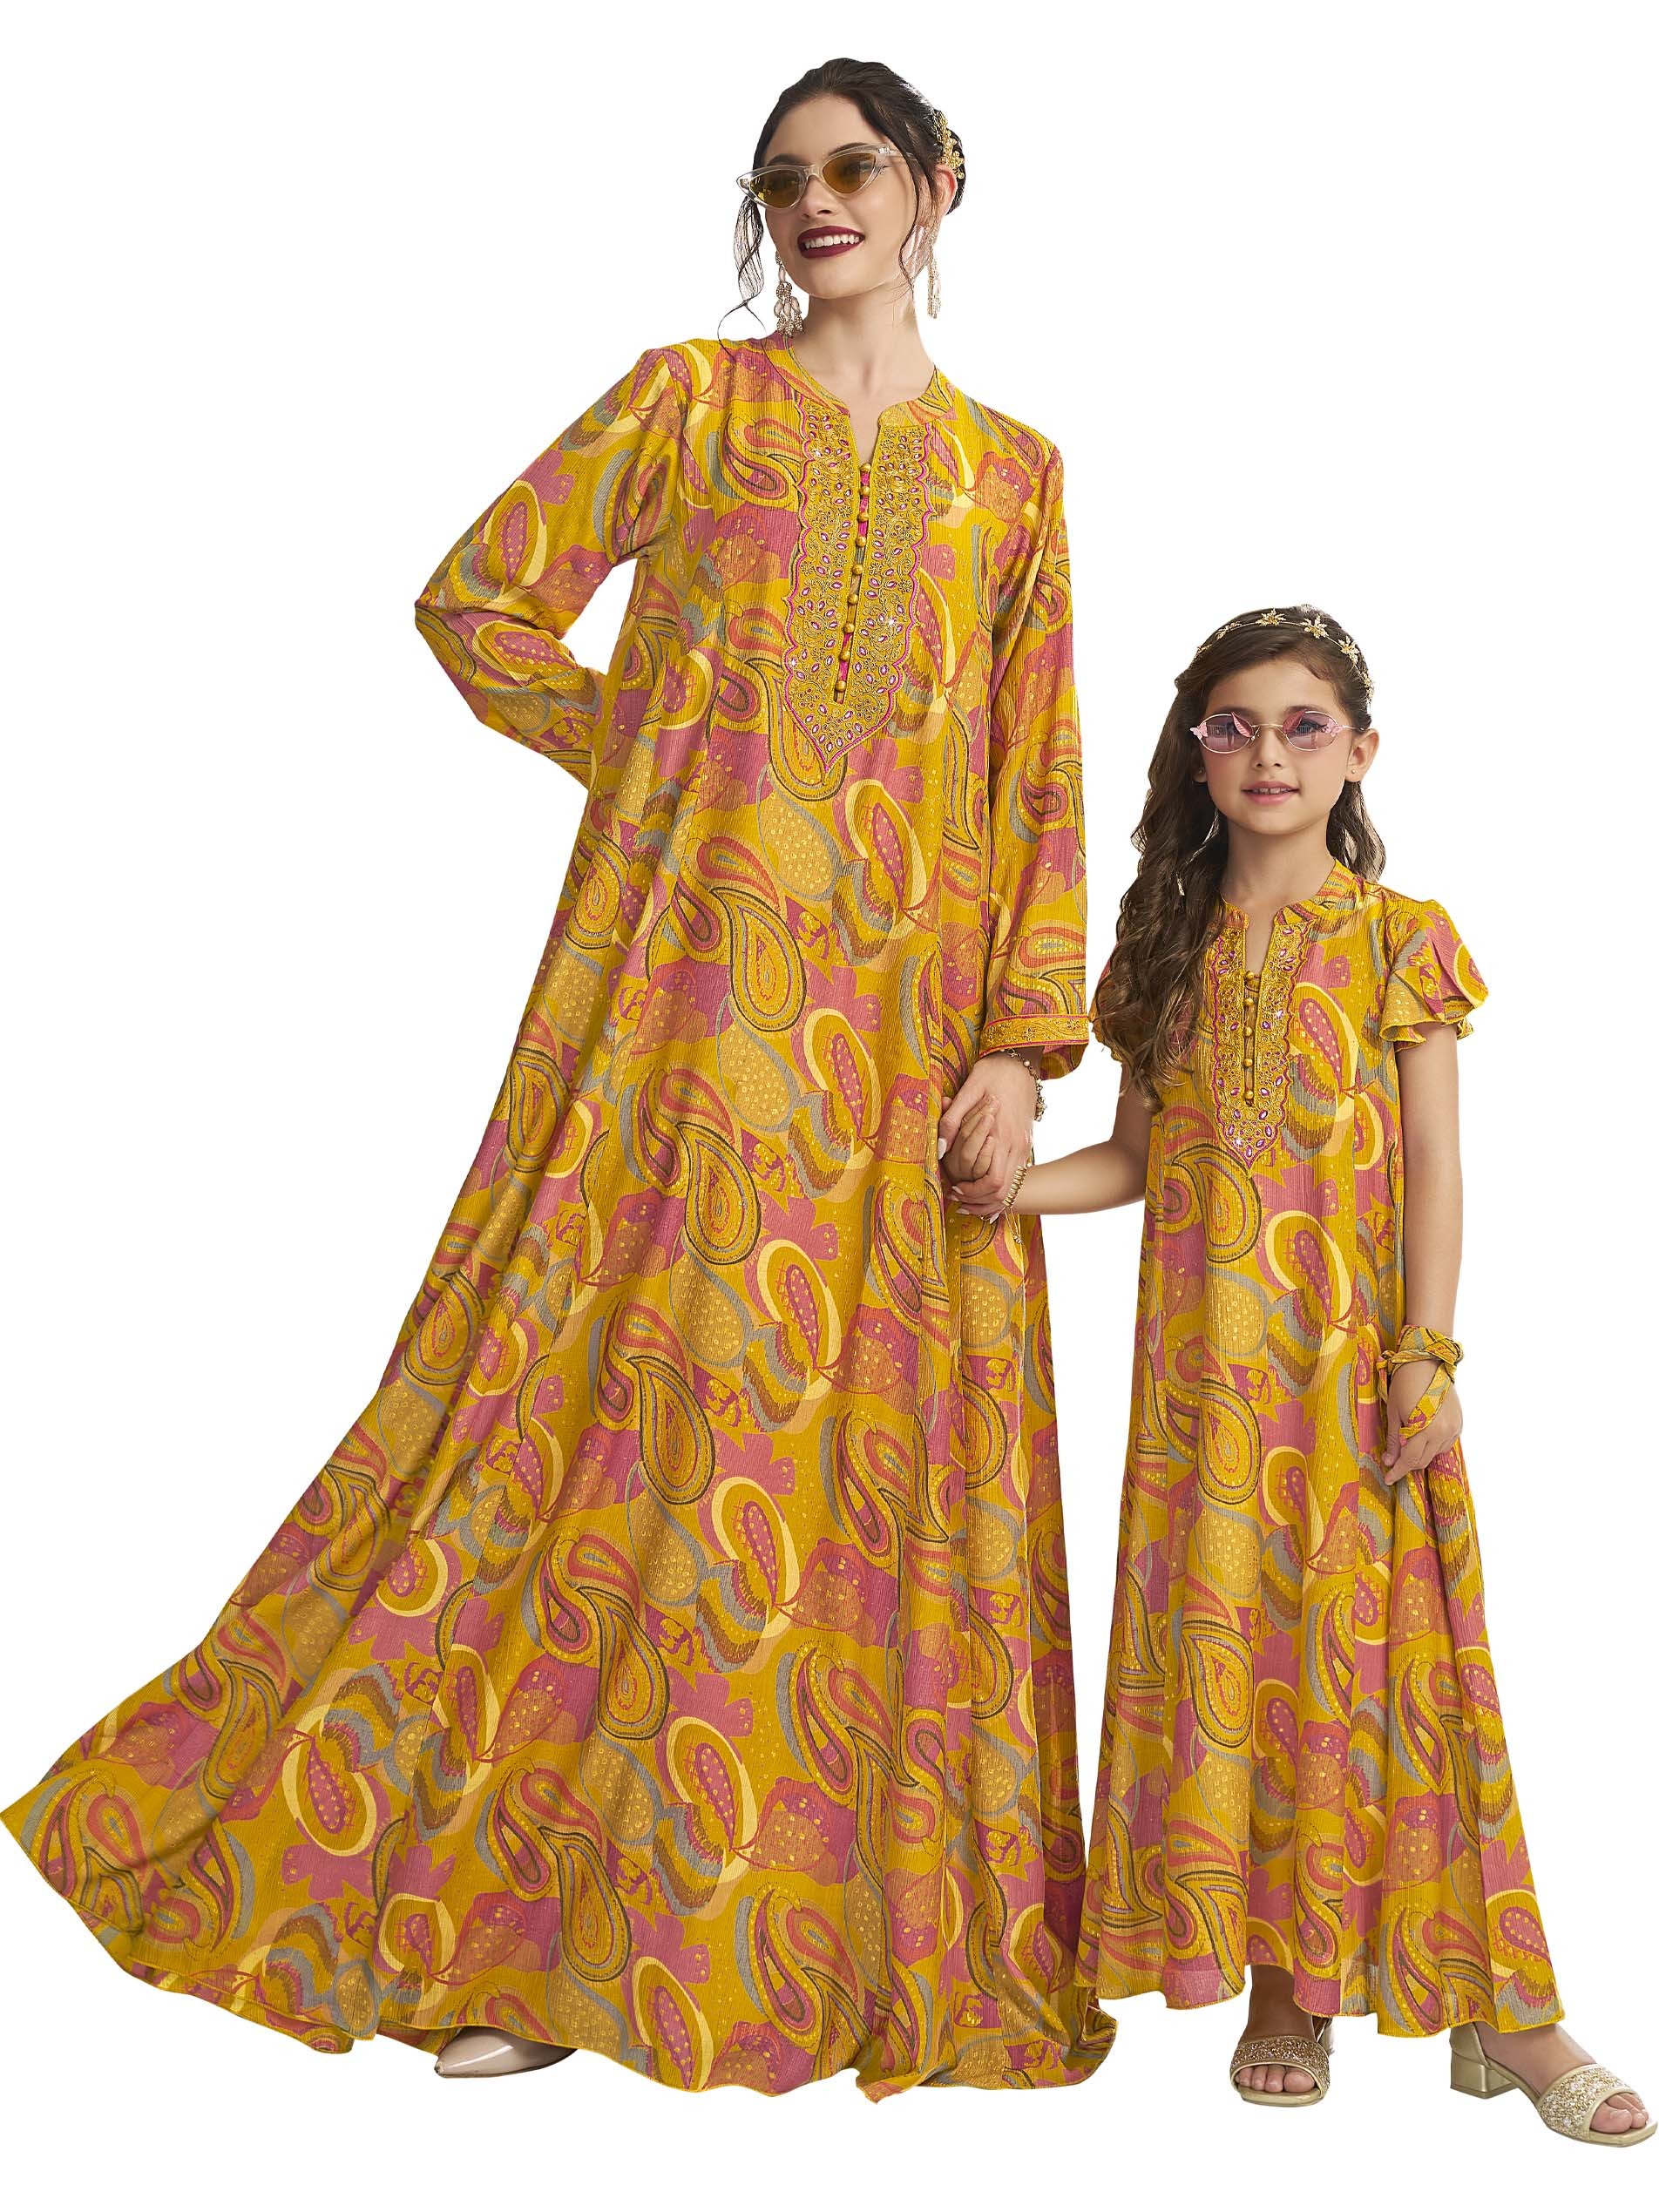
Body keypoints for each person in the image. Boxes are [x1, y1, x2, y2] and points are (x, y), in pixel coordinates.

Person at [3, 58, 1109, 2101]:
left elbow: (1032, 772)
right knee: (622, 1423)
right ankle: (536, 1934)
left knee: (855, 1466)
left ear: (939, 185)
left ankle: (807, 1936)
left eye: (853, 168)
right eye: (780, 179)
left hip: (902, 1048)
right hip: (682, 1007)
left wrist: (1021, 1058)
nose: (815, 204)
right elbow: (477, 597)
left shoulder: (1015, 477)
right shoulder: (688, 403)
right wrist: (667, 764)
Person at [945, 605, 1652, 2143]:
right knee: (1242, 1670)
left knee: (1400, 1676)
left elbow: (1439, 1166)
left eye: (1302, 726)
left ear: (1360, 752)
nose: (1268, 754)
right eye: (1235, 727)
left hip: (1351, 1384)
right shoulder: (1164, 952)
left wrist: (1426, 1354)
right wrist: (1000, 1195)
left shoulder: (1403, 938)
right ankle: (1283, 1983)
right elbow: (1135, 1161)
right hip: (1200, 1403)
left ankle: (1506, 2014)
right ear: (1198, 756)